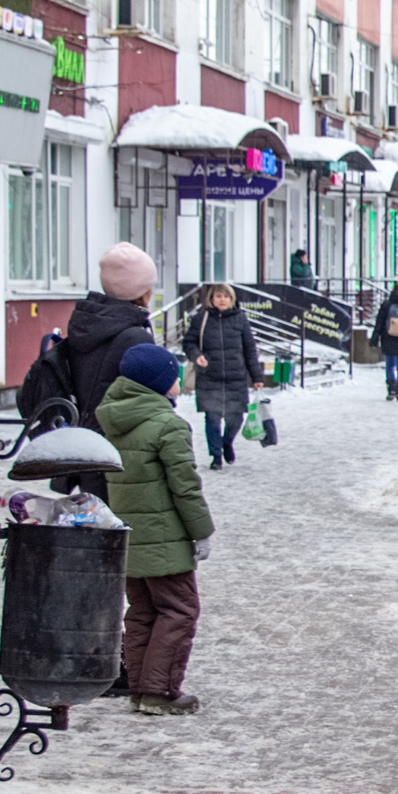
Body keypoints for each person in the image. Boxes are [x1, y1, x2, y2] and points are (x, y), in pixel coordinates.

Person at [98, 343, 213, 716]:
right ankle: (160, 692)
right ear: (159, 383)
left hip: (129, 535)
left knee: (143, 610)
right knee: (180, 609)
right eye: (174, 375)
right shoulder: (168, 425)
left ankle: (139, 688)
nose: (179, 380)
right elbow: (185, 485)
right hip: (165, 537)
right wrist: (202, 531)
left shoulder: (115, 420)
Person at [45, 242, 160, 498]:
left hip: (85, 440)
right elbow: (149, 401)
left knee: (97, 522)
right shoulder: (134, 336)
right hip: (119, 447)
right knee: (119, 526)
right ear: (142, 289)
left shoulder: (87, 323)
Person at [180, 283, 262, 470]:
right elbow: (188, 343)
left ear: (232, 299)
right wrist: (196, 356)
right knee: (212, 418)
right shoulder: (202, 319)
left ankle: (227, 443)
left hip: (236, 377)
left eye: (226, 296)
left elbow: (250, 350)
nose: (222, 299)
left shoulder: (240, 319)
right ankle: (216, 456)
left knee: (236, 419)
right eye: (218, 296)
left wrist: (256, 377)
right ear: (212, 298)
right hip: (210, 377)